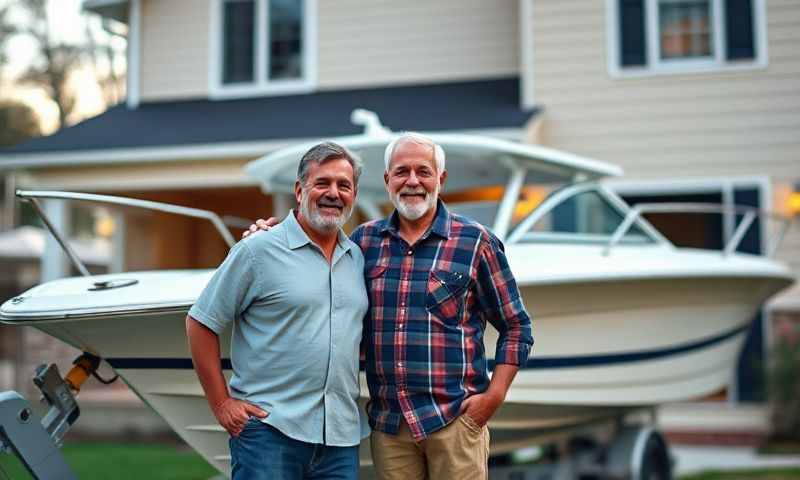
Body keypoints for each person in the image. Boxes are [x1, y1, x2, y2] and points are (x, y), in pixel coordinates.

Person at [245, 133, 534, 480]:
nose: (412, 181)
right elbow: (313, 247)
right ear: (387, 180)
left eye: (423, 172)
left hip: (455, 420)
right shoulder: (363, 243)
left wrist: (494, 395)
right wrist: (271, 233)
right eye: (402, 172)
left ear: (440, 180)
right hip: (390, 427)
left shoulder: (476, 242)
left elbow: (516, 326)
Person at [187, 142, 368, 480]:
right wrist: (222, 404)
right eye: (322, 183)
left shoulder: (357, 259)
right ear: (300, 190)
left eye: (343, 185)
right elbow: (200, 322)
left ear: (354, 194)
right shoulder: (258, 250)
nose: (333, 193)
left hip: (340, 439)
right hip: (270, 434)